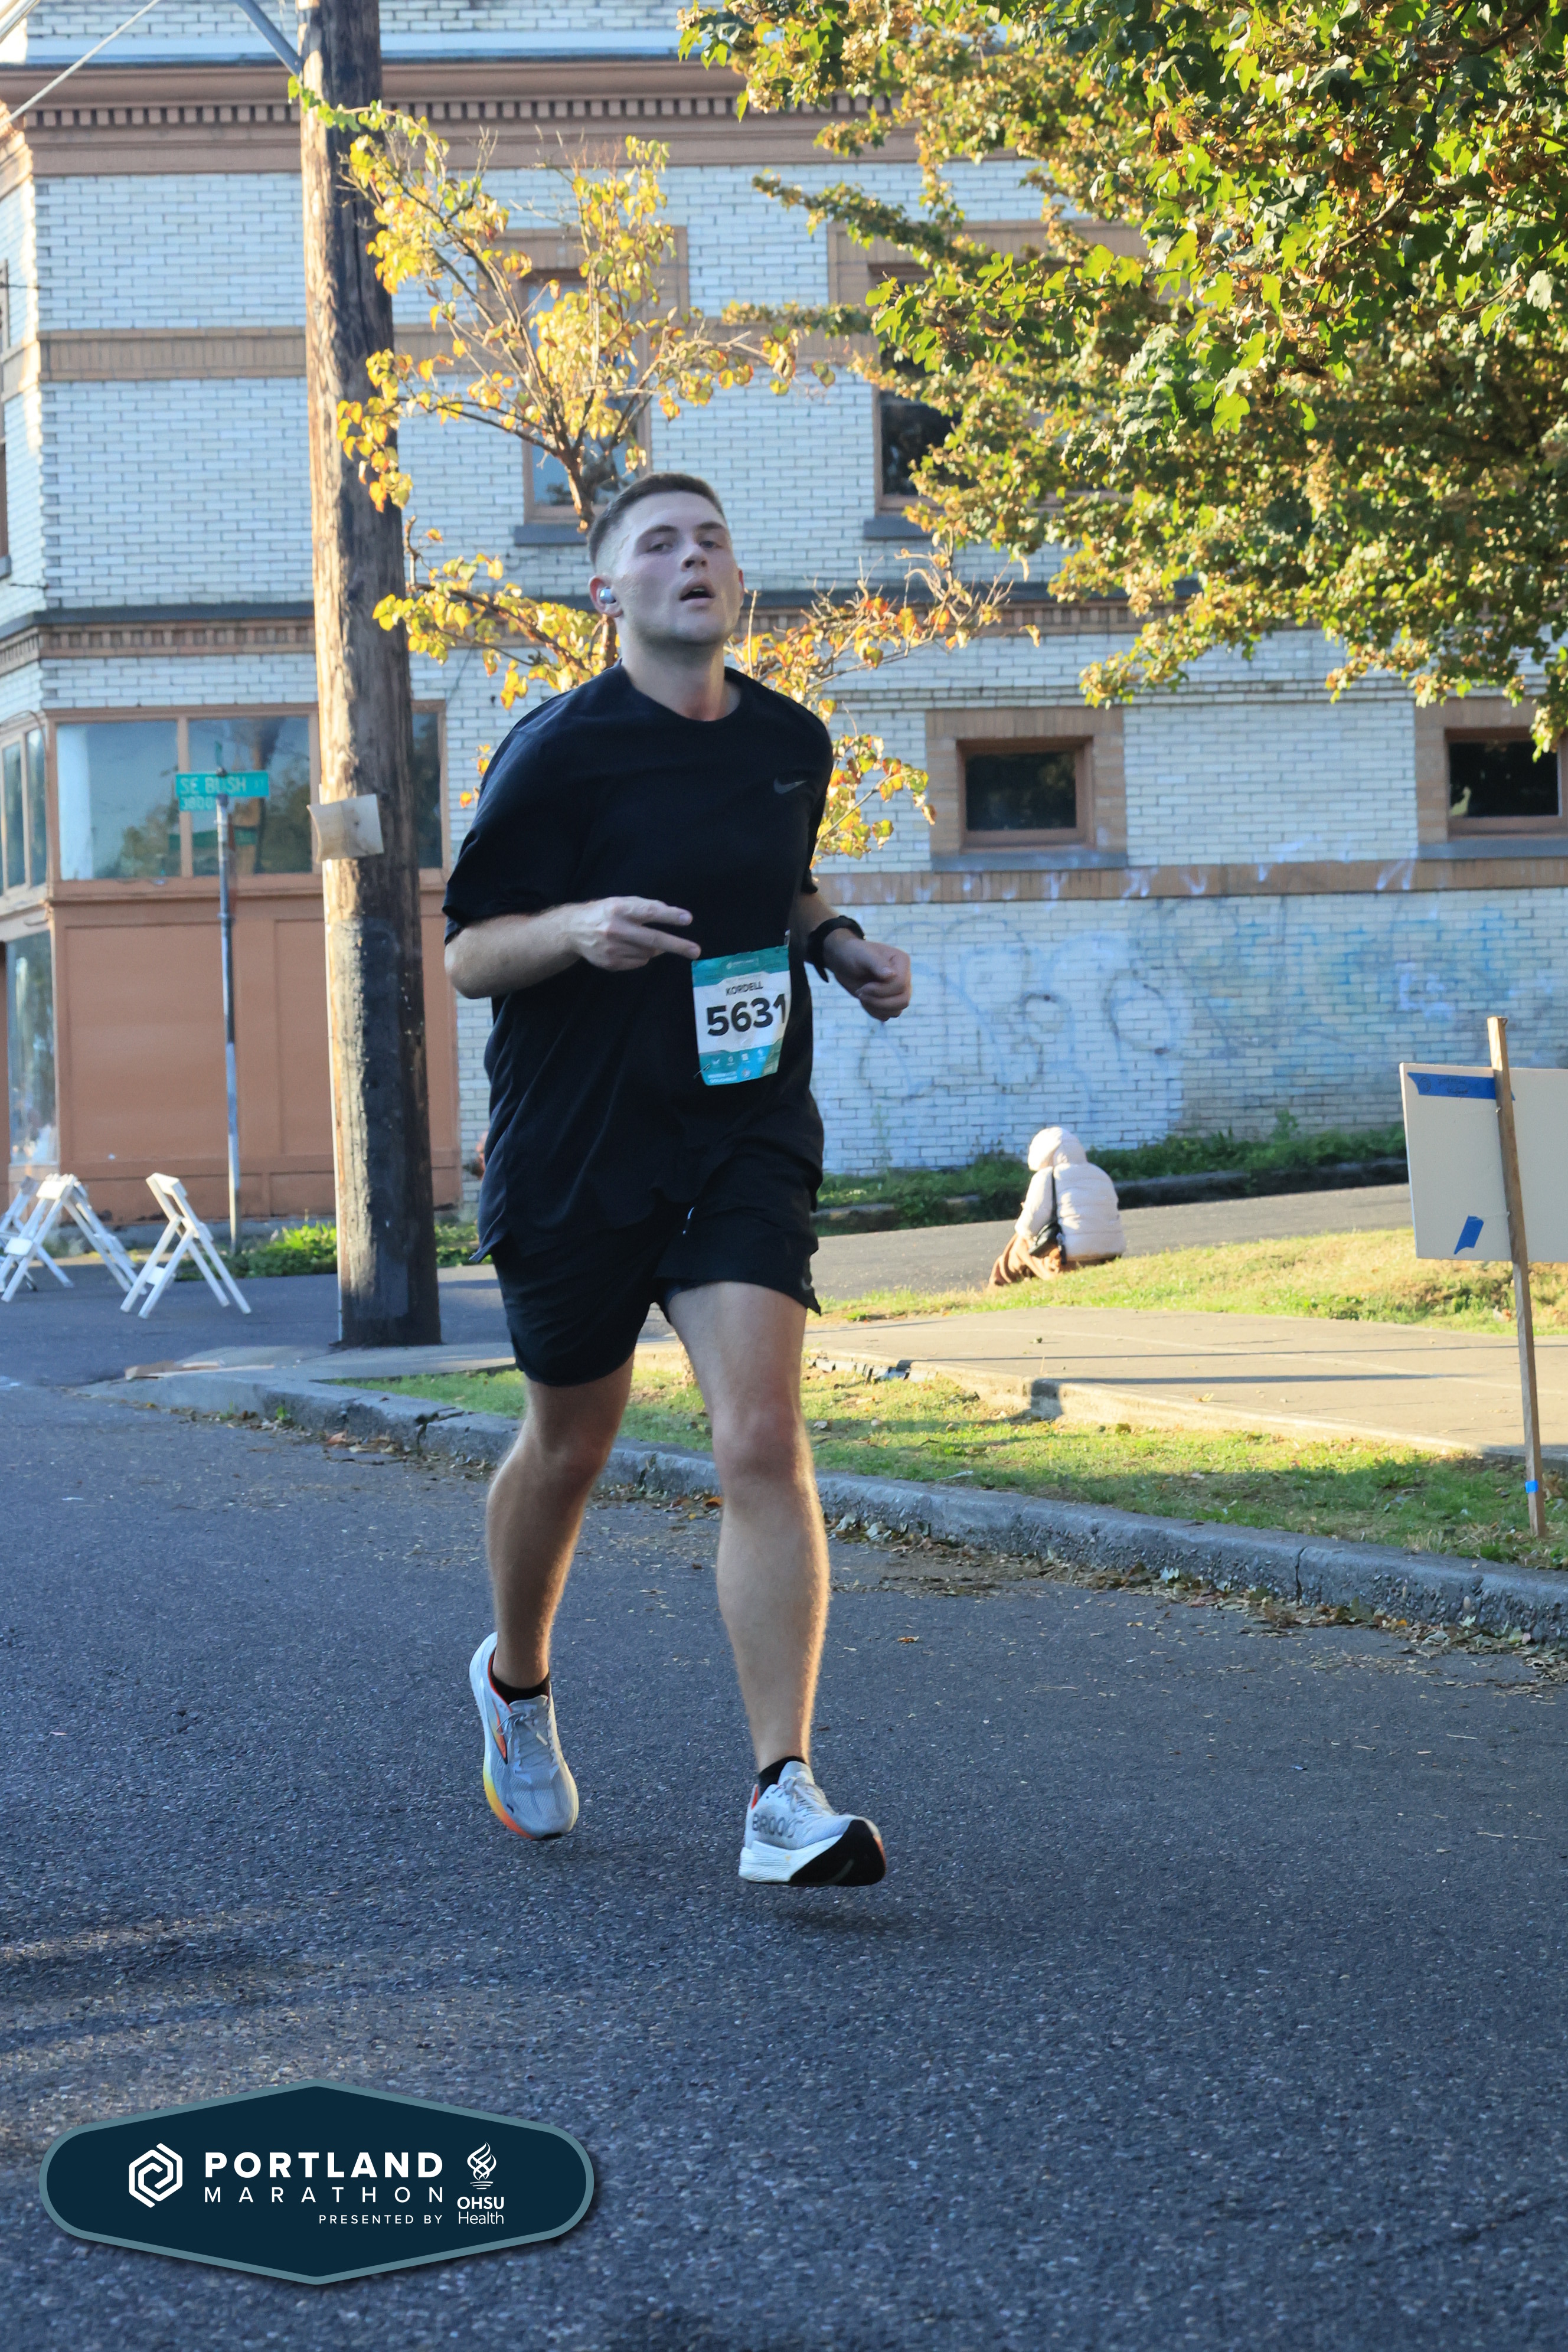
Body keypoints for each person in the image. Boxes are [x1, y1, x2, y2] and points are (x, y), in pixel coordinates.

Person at [442, 470, 913, 1887]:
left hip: (740, 1128)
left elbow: (780, 881)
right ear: (608, 593)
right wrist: (575, 929)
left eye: (712, 539)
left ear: (737, 583)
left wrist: (837, 947)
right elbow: (470, 952)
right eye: (659, 542)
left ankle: (783, 1793)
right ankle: (515, 1682)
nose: (693, 557)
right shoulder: (557, 753)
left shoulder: (789, 741)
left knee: (760, 1437)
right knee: (571, 1444)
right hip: (577, 1142)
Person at [988, 1126, 1125, 1286]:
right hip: (1107, 1260)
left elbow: (1027, 1229)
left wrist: (1027, 1211)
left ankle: (997, 1286)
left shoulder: (1048, 1176)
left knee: (1020, 1242)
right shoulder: (1101, 1175)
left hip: (1068, 1264)